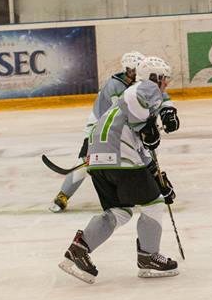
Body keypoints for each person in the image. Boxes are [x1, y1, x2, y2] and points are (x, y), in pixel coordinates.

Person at [58, 56, 179, 284]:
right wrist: (152, 124)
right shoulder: (144, 89)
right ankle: (148, 257)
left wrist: (157, 180)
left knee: (119, 211)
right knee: (153, 205)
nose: (165, 84)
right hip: (119, 157)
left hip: (98, 159)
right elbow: (140, 116)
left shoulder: (126, 99)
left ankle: (79, 250)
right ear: (155, 78)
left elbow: (142, 148)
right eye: (164, 79)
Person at [50, 52, 179, 213]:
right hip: (99, 128)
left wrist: (168, 112)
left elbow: (162, 97)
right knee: (84, 163)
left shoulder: (144, 85)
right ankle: (63, 195)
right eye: (131, 70)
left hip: (124, 129)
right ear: (126, 69)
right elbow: (123, 116)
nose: (133, 74)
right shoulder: (115, 86)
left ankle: (148, 185)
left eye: (136, 70)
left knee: (143, 153)